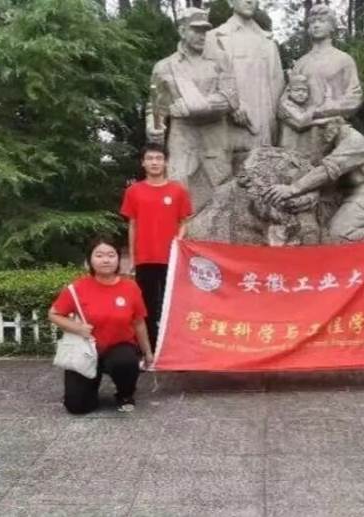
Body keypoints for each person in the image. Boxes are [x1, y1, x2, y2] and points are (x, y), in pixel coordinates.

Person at [147, 8, 238, 236]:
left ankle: (219, 245)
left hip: (214, 135)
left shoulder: (220, 60)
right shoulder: (164, 67)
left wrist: (195, 107)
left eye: (204, 31)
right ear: (182, 31)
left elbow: (231, 98)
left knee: (221, 189)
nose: (202, 36)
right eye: (196, 30)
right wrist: (154, 126)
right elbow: (156, 106)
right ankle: (179, 244)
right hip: (183, 136)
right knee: (177, 187)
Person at [49, 239, 154, 414]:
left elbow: (139, 322)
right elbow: (53, 314)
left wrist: (148, 352)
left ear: (118, 259)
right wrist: (77, 328)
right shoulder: (77, 288)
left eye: (111, 255)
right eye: (99, 255)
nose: (106, 260)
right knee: (77, 407)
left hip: (119, 348)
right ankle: (90, 386)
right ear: (89, 260)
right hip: (85, 350)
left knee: (125, 361)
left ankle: (125, 394)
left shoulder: (130, 287)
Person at [264, 117, 364, 243]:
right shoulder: (339, 143)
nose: (318, 135)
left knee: (338, 233)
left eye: (319, 130)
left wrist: (293, 189)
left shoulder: (354, 142)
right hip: (352, 193)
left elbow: (326, 171)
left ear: (331, 127)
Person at [120, 144, 193, 350]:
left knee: (174, 304)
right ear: (143, 163)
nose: (154, 162)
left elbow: (184, 222)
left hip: (171, 258)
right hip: (145, 258)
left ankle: (174, 348)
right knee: (147, 306)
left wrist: (178, 242)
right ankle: (150, 350)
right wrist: (132, 257)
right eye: (150, 158)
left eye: (159, 158)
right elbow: (132, 225)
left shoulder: (178, 190)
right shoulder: (134, 191)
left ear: (166, 162)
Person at [203, 0, 284, 150]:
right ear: (230, 2)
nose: (249, 1)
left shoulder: (267, 41)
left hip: (264, 129)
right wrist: (231, 105)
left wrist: (274, 123)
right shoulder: (214, 37)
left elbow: (277, 86)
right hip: (228, 126)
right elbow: (208, 81)